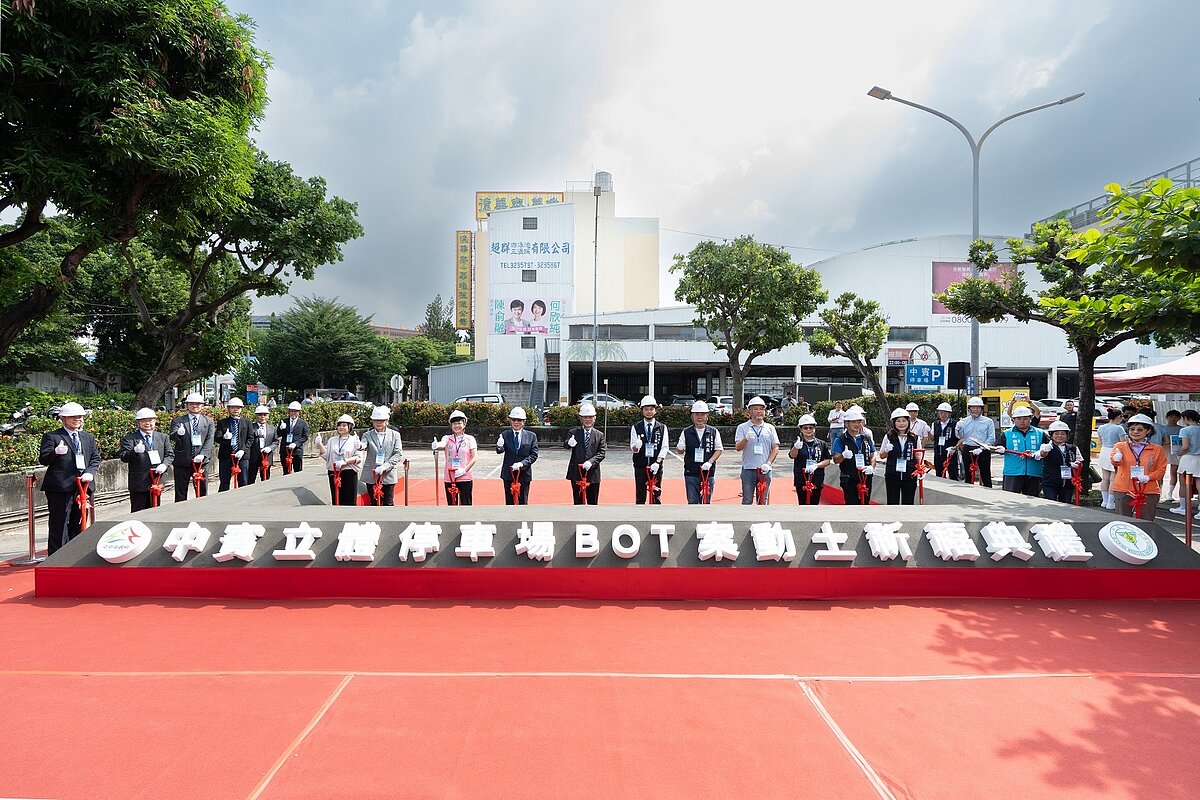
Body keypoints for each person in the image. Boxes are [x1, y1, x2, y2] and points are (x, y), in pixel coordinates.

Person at [38, 402, 101, 554]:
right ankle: (57, 557)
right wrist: (55, 452)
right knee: (59, 523)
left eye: (79, 417)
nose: (77, 420)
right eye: (72, 417)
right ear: (63, 418)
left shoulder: (88, 437)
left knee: (79, 522)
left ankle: (75, 554)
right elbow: (44, 459)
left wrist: (90, 472)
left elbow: (95, 458)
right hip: (60, 487)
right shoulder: (52, 436)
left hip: (83, 486)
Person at [1111, 413, 1167, 520]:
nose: (1135, 432)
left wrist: (1149, 477)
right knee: (1124, 522)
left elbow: (1161, 469)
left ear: (1148, 431)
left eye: (1140, 429)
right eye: (1132, 429)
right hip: (1124, 489)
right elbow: (1114, 462)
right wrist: (1116, 459)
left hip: (1148, 490)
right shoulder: (1120, 446)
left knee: (1146, 523)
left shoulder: (1157, 449)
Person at [118, 407, 173, 512]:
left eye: (151, 420)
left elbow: (170, 454)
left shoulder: (163, 437)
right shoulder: (129, 439)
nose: (148, 423)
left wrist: (164, 465)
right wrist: (134, 451)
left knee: (155, 511)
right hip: (139, 483)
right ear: (138, 422)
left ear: (155, 421)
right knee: (138, 512)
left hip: (157, 480)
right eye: (144, 420)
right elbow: (124, 457)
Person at [169, 392, 214, 501]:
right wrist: (178, 434)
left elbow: (209, 440)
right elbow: (172, 436)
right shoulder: (178, 420)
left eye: (198, 404)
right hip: (182, 461)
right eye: (192, 404)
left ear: (202, 405)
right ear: (187, 405)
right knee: (181, 491)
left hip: (201, 462)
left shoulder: (208, 421)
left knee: (202, 490)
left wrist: (203, 455)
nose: (195, 406)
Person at [677, 400, 723, 504]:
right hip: (691, 472)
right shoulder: (686, 431)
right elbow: (680, 450)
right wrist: (680, 448)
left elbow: (719, 449)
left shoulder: (713, 431)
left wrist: (710, 462)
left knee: (706, 502)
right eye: (697, 414)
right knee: (693, 502)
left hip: (708, 473)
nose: (700, 417)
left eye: (703, 414)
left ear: (707, 416)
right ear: (692, 416)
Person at [735, 396, 779, 505]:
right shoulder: (742, 427)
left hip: (764, 470)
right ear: (749, 411)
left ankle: (763, 521)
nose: (759, 411)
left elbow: (775, 448)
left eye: (761, 409)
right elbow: (738, 447)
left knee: (763, 500)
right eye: (755, 409)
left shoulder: (770, 428)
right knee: (747, 500)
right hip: (748, 469)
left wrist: (768, 464)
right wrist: (746, 439)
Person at [993, 405, 1045, 496]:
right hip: (1012, 472)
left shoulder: (1040, 433)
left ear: (1031, 419)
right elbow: (998, 446)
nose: (1022, 421)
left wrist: (1041, 452)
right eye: (1019, 418)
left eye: (1025, 418)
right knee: (1010, 498)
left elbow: (1049, 446)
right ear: (1013, 420)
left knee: (1033, 500)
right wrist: (1000, 449)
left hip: (1034, 472)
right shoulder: (1006, 434)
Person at [360, 406, 404, 505]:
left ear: (387, 421)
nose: (378, 423)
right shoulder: (367, 435)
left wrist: (385, 466)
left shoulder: (395, 434)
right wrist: (360, 445)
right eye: (376, 421)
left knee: (388, 501)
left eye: (381, 420)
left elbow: (398, 453)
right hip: (372, 473)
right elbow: (364, 444)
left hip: (388, 473)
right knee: (374, 501)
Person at [874, 408, 919, 505]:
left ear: (908, 422)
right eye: (898, 421)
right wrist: (886, 450)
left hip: (909, 474)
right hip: (892, 475)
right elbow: (881, 456)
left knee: (908, 502)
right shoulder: (889, 437)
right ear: (893, 423)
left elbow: (919, 455)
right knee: (892, 501)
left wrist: (920, 470)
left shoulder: (914, 437)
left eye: (904, 421)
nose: (901, 423)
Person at [564, 403, 606, 505]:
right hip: (576, 473)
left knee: (593, 503)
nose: (588, 420)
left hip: (593, 474)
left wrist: (591, 462)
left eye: (590, 417)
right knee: (578, 503)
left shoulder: (599, 435)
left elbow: (602, 452)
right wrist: (569, 443)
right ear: (581, 419)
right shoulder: (573, 432)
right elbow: (566, 445)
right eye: (585, 417)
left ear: (594, 418)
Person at [434, 409, 478, 505]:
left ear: (464, 424)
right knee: (452, 504)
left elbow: (474, 458)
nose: (457, 426)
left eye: (459, 423)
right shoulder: (447, 438)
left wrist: (464, 470)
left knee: (466, 503)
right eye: (454, 424)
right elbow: (442, 443)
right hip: (450, 477)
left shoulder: (470, 439)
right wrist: (437, 444)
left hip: (465, 477)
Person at [316, 414, 362, 505]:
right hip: (334, 472)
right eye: (339, 425)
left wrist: (345, 461)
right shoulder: (332, 440)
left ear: (350, 427)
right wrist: (319, 445)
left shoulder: (354, 440)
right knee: (336, 498)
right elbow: (327, 455)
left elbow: (358, 457)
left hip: (348, 472)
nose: (341, 427)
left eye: (344, 425)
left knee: (349, 498)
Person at [832, 408, 875, 504]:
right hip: (849, 477)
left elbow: (873, 454)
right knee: (852, 503)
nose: (857, 425)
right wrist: (843, 455)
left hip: (865, 476)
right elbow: (836, 460)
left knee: (865, 502)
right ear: (846, 423)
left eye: (859, 422)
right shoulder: (840, 440)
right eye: (853, 422)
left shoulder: (866, 438)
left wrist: (872, 466)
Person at [496, 406, 538, 505]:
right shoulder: (505, 434)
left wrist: (522, 464)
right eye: (513, 419)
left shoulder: (531, 436)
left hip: (524, 473)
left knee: (523, 501)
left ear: (523, 421)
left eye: (519, 420)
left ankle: (523, 519)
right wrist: (499, 446)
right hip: (508, 473)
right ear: (510, 421)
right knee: (509, 502)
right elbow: (500, 451)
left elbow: (534, 454)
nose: (516, 422)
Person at [630, 396, 667, 504]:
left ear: (655, 410)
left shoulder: (662, 427)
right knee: (640, 495)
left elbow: (664, 447)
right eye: (646, 409)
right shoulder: (636, 427)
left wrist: (658, 462)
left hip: (656, 466)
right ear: (642, 411)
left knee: (656, 495)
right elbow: (633, 448)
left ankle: (655, 517)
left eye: (651, 409)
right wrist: (637, 446)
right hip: (640, 466)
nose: (649, 412)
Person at [1037, 420, 1083, 503]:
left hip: (1068, 482)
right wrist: (1045, 450)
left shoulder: (1073, 448)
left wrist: (1076, 464)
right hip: (1050, 482)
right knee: (1051, 503)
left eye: (1063, 434)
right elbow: (1043, 454)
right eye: (1057, 433)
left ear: (1067, 435)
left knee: (1066, 504)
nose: (1060, 436)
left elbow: (1080, 461)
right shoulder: (1046, 446)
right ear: (1051, 435)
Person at [789, 414, 831, 505]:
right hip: (801, 478)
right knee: (802, 503)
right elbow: (792, 456)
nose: (808, 430)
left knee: (815, 503)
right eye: (805, 428)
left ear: (814, 428)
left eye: (811, 428)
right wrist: (796, 447)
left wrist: (817, 465)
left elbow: (828, 460)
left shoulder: (821, 444)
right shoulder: (797, 443)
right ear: (801, 429)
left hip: (816, 478)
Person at [955, 396, 996, 488]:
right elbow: (960, 436)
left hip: (983, 449)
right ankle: (968, 493)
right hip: (968, 448)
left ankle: (988, 492)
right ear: (969, 409)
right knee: (968, 473)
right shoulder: (964, 421)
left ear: (981, 408)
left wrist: (981, 448)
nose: (975, 409)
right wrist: (958, 429)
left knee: (985, 473)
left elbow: (991, 438)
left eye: (978, 407)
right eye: (973, 407)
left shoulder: (988, 421)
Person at [215, 397, 250, 492]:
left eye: (238, 407)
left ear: (241, 409)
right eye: (233, 407)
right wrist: (224, 438)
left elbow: (250, 438)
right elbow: (217, 438)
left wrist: (243, 450)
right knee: (224, 481)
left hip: (242, 456)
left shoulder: (246, 422)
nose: (235, 409)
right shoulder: (222, 422)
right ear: (228, 409)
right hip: (226, 456)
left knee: (243, 481)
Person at [1170, 409, 1200, 518]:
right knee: (1199, 483)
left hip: (1188, 458)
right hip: (1199, 458)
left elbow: (1185, 447)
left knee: (1184, 483)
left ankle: (1183, 507)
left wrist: (1179, 454)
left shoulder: (1185, 430)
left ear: (1186, 418)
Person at [1096, 408, 1128, 510]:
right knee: (1113, 479)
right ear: (1118, 417)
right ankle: (1110, 502)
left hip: (1104, 451)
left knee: (1105, 478)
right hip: (1115, 452)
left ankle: (1104, 501)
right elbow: (1123, 443)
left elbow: (1100, 442)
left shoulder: (1101, 427)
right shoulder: (1119, 428)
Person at [245, 405, 276, 484]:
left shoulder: (272, 428)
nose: (262, 417)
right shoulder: (250, 427)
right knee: (250, 479)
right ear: (256, 416)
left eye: (265, 415)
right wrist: (255, 434)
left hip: (266, 456)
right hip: (253, 457)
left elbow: (276, 441)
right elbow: (246, 439)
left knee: (266, 478)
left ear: (268, 416)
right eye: (260, 415)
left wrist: (270, 448)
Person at [277, 401, 309, 474]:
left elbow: (305, 437)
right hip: (285, 450)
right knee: (286, 471)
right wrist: (281, 429)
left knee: (298, 471)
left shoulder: (303, 423)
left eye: (295, 411)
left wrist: (296, 444)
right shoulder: (283, 421)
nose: (293, 413)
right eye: (291, 411)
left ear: (299, 412)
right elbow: (278, 434)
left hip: (297, 451)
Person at [931, 402, 960, 480]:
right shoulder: (935, 424)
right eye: (941, 412)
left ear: (949, 414)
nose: (943, 414)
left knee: (953, 475)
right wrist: (927, 432)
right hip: (938, 454)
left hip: (950, 454)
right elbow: (932, 438)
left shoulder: (955, 424)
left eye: (945, 413)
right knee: (939, 476)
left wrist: (955, 447)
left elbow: (961, 438)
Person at [1161, 409, 1183, 505]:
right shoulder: (1163, 428)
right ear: (1167, 418)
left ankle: (1169, 494)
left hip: (1176, 453)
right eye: (1171, 417)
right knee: (1161, 472)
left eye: (1175, 417)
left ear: (1179, 418)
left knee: (1173, 473)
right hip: (1164, 451)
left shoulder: (1181, 429)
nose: (1173, 419)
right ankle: (1160, 492)